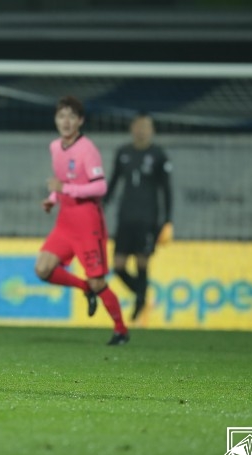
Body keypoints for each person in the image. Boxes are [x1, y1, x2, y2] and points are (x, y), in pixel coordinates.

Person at [36, 96, 129, 345]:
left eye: (71, 117)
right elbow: (63, 180)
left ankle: (121, 330)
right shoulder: (55, 147)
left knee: (98, 281)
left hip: (88, 223)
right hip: (65, 221)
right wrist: (53, 198)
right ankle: (84, 288)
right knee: (42, 268)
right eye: (61, 116)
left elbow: (100, 187)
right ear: (56, 120)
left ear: (80, 121)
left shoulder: (87, 149)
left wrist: (65, 189)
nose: (65, 122)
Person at [104, 113, 173, 322]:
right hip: (125, 217)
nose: (142, 130)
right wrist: (101, 207)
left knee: (142, 263)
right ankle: (141, 296)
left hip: (148, 218)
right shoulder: (123, 152)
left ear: (152, 130)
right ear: (132, 128)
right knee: (118, 266)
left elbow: (166, 190)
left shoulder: (159, 155)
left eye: (146, 126)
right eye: (138, 126)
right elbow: (114, 183)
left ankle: (140, 302)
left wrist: (167, 220)